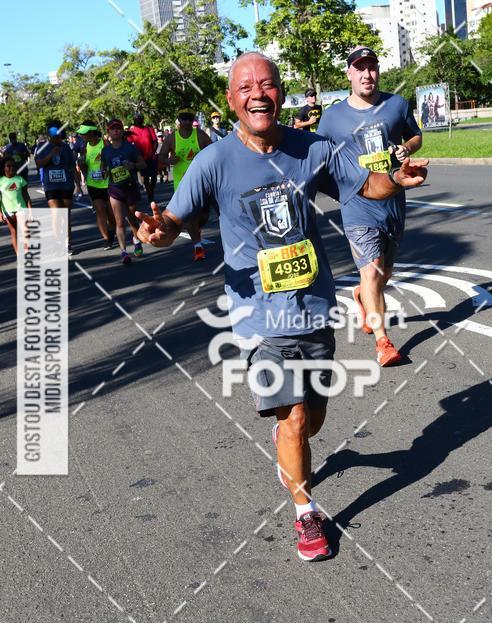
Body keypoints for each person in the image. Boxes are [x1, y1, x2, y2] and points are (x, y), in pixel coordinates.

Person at [135, 51, 428, 562]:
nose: (257, 93)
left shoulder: (311, 148)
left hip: (314, 304)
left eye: (266, 84)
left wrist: (395, 182)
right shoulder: (213, 162)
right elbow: (172, 224)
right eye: (245, 87)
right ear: (231, 101)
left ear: (281, 92)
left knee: (313, 418)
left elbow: (366, 186)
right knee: (294, 419)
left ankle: (290, 441)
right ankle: (306, 513)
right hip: (258, 317)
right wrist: (157, 233)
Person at [318, 46, 423, 366]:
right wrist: (340, 191)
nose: (367, 74)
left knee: (384, 272)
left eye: (372, 67)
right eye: (359, 68)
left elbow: (416, 136)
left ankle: (364, 297)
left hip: (392, 200)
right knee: (373, 268)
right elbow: (319, 157)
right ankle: (383, 342)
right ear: (348, 73)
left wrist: (405, 149)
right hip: (357, 205)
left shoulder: (396, 105)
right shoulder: (332, 118)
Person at [158, 107, 211, 261]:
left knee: (203, 216)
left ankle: (195, 229)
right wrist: (168, 160)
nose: (187, 122)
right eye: (184, 118)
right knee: (191, 218)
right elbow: (161, 156)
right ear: (179, 120)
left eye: (189, 118)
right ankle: (198, 248)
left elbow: (214, 152)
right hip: (182, 185)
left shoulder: (200, 135)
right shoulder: (172, 138)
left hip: (202, 182)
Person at [101, 118, 145, 265]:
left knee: (132, 218)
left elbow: (142, 164)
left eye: (118, 128)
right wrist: (104, 172)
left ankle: (136, 240)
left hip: (130, 186)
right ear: (108, 132)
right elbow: (103, 168)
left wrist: (132, 165)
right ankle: (124, 252)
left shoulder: (130, 147)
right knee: (119, 222)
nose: (116, 131)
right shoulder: (105, 150)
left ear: (122, 131)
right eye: (113, 129)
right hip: (115, 189)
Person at [35, 121, 77, 255]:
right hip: (51, 185)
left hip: (66, 184)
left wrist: (79, 185)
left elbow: (72, 166)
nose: (56, 137)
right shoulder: (42, 146)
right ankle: (58, 242)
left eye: (58, 134)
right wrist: (51, 155)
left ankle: (67, 243)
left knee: (65, 214)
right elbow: (39, 164)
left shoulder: (66, 147)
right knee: (55, 214)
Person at [76, 124, 115, 249]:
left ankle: (111, 231)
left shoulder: (104, 144)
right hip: (93, 184)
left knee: (112, 214)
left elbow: (112, 160)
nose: (82, 136)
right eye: (81, 134)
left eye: (84, 133)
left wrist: (108, 170)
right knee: (100, 211)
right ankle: (106, 239)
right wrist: (81, 165)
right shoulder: (85, 148)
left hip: (108, 183)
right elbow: (84, 168)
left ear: (92, 133)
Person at [0, 156, 32, 255]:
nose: (11, 168)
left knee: (25, 230)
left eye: (13, 166)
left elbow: (26, 195)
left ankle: (27, 252)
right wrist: (0, 213)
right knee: (14, 232)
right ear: (3, 168)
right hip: (8, 210)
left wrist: (30, 209)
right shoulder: (0, 181)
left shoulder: (20, 179)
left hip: (21, 208)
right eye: (8, 166)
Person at [128, 113, 158, 203]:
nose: (138, 120)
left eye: (140, 118)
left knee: (154, 177)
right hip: (141, 158)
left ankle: (151, 190)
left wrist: (152, 152)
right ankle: (150, 195)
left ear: (142, 119)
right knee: (145, 177)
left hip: (151, 157)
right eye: (136, 119)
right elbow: (129, 144)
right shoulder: (132, 131)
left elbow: (155, 142)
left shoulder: (149, 129)